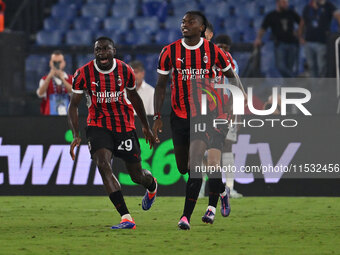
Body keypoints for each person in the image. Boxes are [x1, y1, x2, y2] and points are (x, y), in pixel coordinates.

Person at [153, 11, 244, 230]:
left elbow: (234, 80)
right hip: (179, 115)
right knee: (184, 167)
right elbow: (161, 86)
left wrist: (234, 107)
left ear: (202, 28)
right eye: (183, 22)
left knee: (197, 164)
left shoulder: (214, 52)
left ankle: (185, 217)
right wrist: (157, 116)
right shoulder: (169, 51)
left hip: (206, 114)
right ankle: (221, 190)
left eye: (190, 22)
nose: (185, 25)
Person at [68, 37, 157, 230]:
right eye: (98, 49)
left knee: (137, 175)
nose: (101, 52)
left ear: (113, 51)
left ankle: (151, 186)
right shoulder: (82, 73)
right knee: (102, 164)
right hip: (97, 125)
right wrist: (76, 134)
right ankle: (126, 217)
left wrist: (145, 126)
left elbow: (134, 97)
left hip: (124, 125)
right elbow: (73, 105)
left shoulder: (125, 70)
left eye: (105, 49)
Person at [254, 0, 300, 77]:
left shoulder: (291, 13)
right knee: (280, 66)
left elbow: (302, 22)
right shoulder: (271, 15)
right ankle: (293, 80)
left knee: (289, 67)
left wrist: (299, 32)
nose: (286, 4)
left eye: (287, 2)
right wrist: (258, 38)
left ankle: (288, 87)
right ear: (278, 3)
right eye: (284, 2)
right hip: (279, 44)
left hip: (292, 43)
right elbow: (263, 28)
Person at [298, 0, 340, 77]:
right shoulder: (307, 7)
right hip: (309, 42)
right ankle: (315, 88)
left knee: (322, 67)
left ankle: (322, 86)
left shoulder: (328, 5)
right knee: (312, 67)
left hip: (322, 42)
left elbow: (338, 16)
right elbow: (302, 23)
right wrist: (300, 36)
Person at [37, 50, 73, 115]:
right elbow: (40, 94)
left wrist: (63, 79)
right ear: (50, 63)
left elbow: (73, 92)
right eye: (54, 62)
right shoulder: (44, 79)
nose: (57, 65)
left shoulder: (71, 79)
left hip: (68, 116)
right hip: (49, 117)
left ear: (64, 63)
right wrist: (49, 77)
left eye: (59, 62)